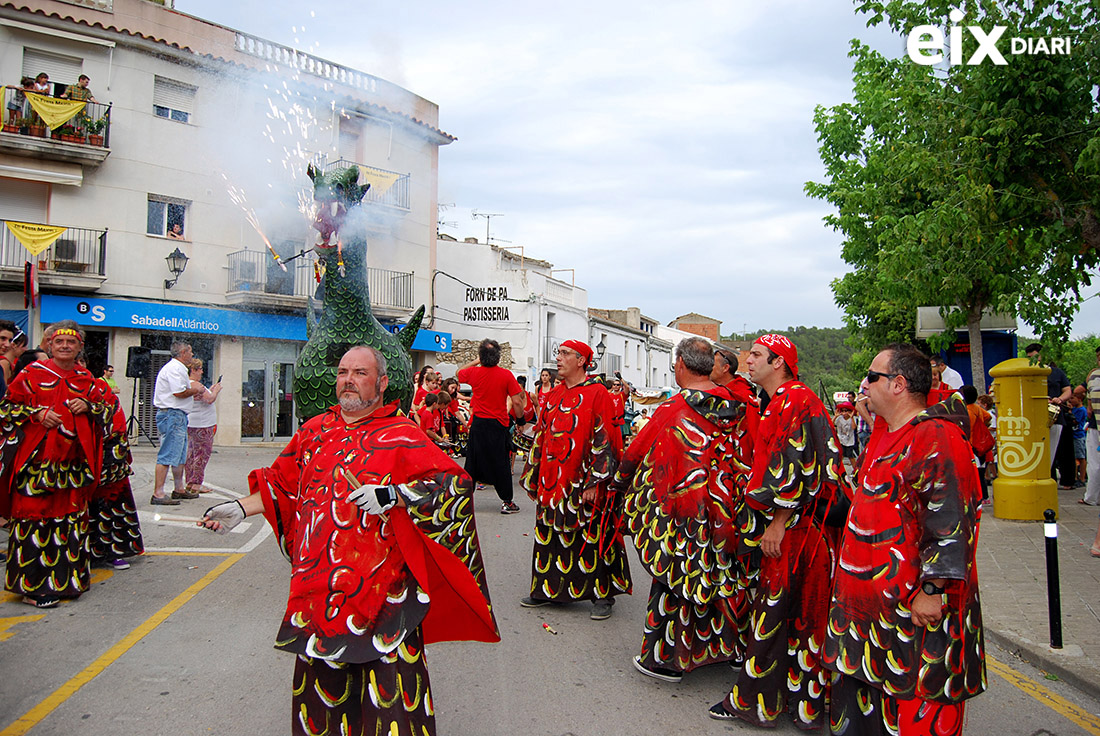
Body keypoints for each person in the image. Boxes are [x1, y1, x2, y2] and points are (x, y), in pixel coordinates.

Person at [200, 345, 497, 735]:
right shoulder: (313, 431)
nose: (349, 381)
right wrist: (241, 507)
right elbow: (283, 485)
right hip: (320, 595)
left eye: (360, 372)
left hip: (386, 597)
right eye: (343, 372)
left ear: (383, 382)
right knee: (323, 705)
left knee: (392, 706)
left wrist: (393, 495)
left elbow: (453, 483)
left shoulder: (403, 434)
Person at [825, 343, 985, 734]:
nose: (863, 384)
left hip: (914, 613)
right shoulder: (889, 434)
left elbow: (950, 523)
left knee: (915, 708)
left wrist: (932, 589)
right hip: (871, 617)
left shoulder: (936, 437)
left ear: (898, 384)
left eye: (872, 376)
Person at [710, 334, 848, 729]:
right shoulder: (782, 401)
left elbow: (798, 469)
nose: (747, 361)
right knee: (796, 617)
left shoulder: (794, 400)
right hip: (800, 529)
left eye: (755, 355)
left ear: (779, 363)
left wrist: (777, 522)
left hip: (797, 532)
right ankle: (798, 705)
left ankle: (754, 703)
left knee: (775, 614)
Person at [615, 337, 755, 682]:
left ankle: (665, 660)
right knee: (725, 575)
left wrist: (619, 484)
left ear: (679, 364)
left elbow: (635, 455)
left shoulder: (673, 410)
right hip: (727, 511)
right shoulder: (739, 408)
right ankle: (732, 651)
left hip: (685, 514)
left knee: (675, 581)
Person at [520, 338, 632, 620]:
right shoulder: (555, 394)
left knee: (591, 537)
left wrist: (595, 481)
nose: (558, 358)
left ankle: (602, 596)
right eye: (559, 353)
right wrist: (535, 475)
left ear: (582, 360)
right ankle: (549, 590)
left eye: (565, 353)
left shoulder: (598, 394)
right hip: (551, 481)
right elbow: (542, 435)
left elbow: (604, 438)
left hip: (582, 481)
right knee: (549, 536)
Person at [0, 320, 108, 608]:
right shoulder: (31, 374)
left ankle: (67, 582)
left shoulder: (86, 378)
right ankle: (31, 588)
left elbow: (105, 410)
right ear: (49, 344)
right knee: (33, 520)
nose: (64, 346)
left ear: (79, 347)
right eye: (59, 342)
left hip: (72, 467)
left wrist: (88, 407)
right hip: (36, 464)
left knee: (70, 521)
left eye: (71, 342)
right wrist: (36, 413)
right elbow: (6, 407)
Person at [86, 356, 143, 571]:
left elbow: (114, 422)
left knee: (110, 506)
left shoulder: (99, 387)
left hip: (108, 459)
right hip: (76, 463)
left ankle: (112, 552)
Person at [457, 339, 526, 514]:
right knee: (501, 462)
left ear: (482, 355)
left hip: (479, 423)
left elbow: (459, 372)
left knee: (472, 462)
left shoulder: (474, 373)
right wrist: (520, 421)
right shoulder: (506, 375)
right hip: (498, 423)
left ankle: (465, 502)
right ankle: (507, 502)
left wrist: (478, 360)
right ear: (498, 356)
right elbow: (517, 401)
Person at [151, 341, 204, 505]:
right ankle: (158, 493)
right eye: (190, 352)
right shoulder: (175, 368)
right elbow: (179, 392)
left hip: (178, 416)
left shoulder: (179, 368)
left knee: (180, 455)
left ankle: (179, 488)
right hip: (172, 415)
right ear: (182, 352)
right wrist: (196, 390)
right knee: (167, 454)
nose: (192, 355)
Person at [1026, 343, 1075, 490]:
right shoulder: (1028, 373)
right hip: (1034, 416)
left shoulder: (1056, 372)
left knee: (1052, 449)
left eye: (1034, 357)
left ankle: (1049, 479)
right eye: (1029, 357)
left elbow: (1068, 391)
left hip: (1054, 414)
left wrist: (1059, 399)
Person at [184, 358, 222, 494]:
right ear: (193, 370)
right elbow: (209, 399)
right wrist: (216, 391)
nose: (202, 371)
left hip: (192, 422)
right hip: (203, 424)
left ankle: (190, 481)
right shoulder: (196, 385)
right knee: (201, 454)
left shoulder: (187, 384)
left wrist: (210, 390)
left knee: (191, 453)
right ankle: (196, 483)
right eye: (199, 369)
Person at [1083, 347, 1100, 506]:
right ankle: (1092, 496)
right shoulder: (1094, 375)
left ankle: (1092, 497)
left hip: (1095, 426)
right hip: (1095, 425)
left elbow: (1089, 407)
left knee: (1095, 463)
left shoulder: (1094, 376)